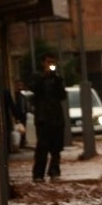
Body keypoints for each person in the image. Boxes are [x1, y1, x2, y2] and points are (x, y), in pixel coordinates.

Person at [30, 54, 67, 182]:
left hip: (56, 119)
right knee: (42, 147)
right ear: (43, 63)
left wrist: (56, 79)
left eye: (52, 62)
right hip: (43, 118)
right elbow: (34, 90)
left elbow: (62, 95)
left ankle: (54, 171)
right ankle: (38, 174)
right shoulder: (38, 77)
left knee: (56, 148)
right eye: (48, 62)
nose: (50, 64)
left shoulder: (57, 79)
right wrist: (44, 76)